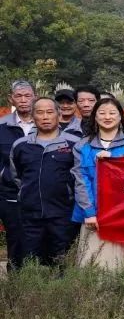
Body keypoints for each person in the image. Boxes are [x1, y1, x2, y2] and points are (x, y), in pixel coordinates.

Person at [71, 97, 124, 269]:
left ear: (121, 116)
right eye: (102, 113)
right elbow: (81, 180)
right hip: (96, 215)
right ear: (95, 117)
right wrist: (89, 212)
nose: (107, 117)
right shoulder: (83, 146)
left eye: (112, 113)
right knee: (96, 265)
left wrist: (115, 161)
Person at [7, 98, 81, 266]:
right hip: (30, 214)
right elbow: (16, 176)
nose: (45, 117)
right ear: (33, 116)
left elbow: (80, 177)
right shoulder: (21, 145)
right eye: (40, 112)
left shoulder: (74, 143)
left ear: (58, 114)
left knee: (63, 261)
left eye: (50, 112)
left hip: (63, 214)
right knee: (29, 261)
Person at [0, 81, 36, 268]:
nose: (23, 100)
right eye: (18, 96)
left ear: (35, 97)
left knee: (40, 237)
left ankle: (40, 278)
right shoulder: (2, 125)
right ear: (11, 99)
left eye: (27, 96)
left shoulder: (46, 123)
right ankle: (15, 278)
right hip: (10, 193)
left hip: (39, 192)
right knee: (15, 237)